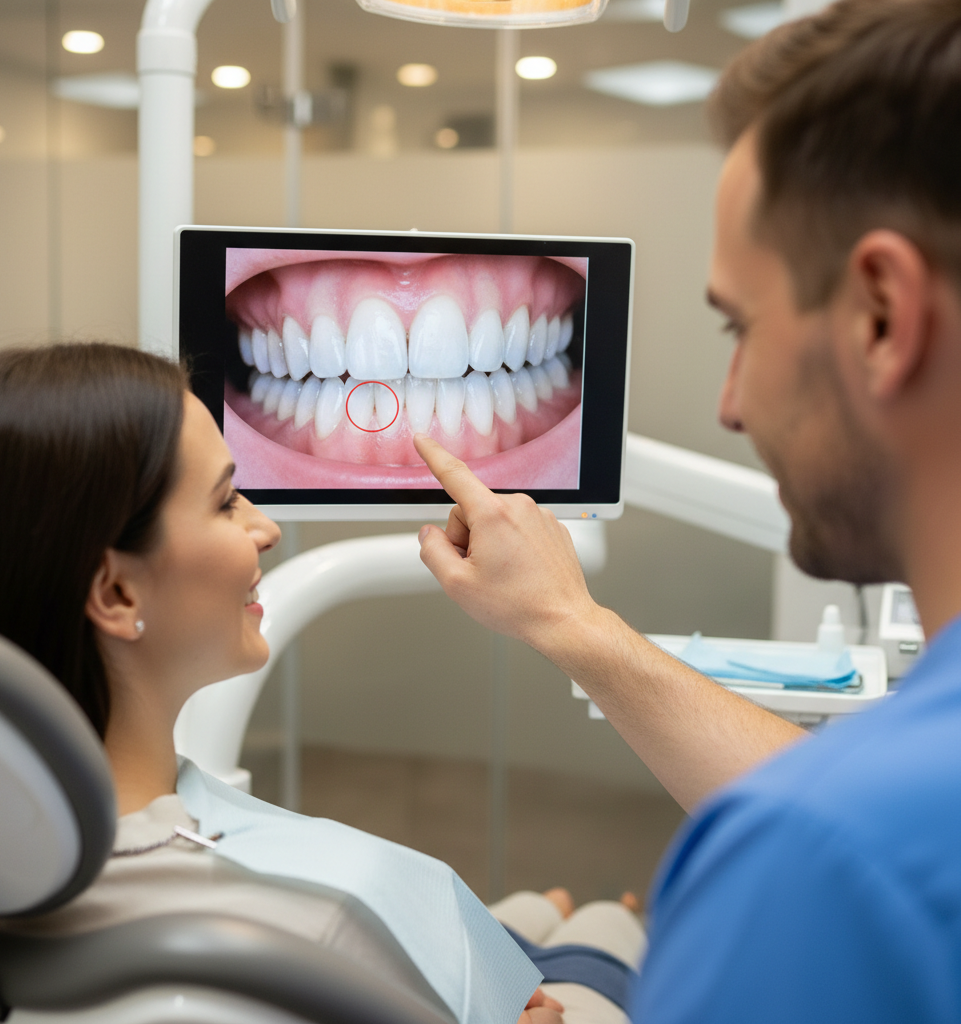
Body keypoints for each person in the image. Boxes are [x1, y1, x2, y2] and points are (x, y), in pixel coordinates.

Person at [410, 0, 961, 1019]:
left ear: (882, 314)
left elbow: (839, 842)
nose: (730, 402)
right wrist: (569, 623)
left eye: (739, 326)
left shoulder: (811, 871)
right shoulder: (878, 824)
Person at [0, 342, 643, 1024]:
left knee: (533, 916)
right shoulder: (309, 925)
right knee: (611, 928)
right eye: (225, 502)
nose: (266, 528)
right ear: (118, 594)